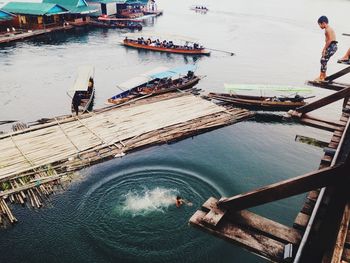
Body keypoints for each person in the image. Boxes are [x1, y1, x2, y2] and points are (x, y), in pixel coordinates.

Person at [315, 16, 337, 82]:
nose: (319, 26)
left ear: (323, 23)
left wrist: (324, 49)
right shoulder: (329, 28)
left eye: (319, 24)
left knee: (323, 60)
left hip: (331, 46)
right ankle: (323, 75)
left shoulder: (328, 29)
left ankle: (321, 77)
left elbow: (329, 40)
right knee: (324, 60)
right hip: (332, 46)